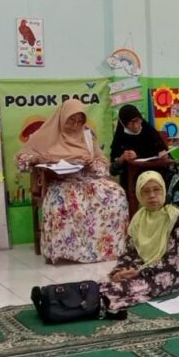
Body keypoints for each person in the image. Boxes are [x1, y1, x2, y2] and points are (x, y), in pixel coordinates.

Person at [15, 98, 128, 263]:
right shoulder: (44, 135)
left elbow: (102, 162)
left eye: (79, 121)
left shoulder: (87, 136)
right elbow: (21, 160)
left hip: (87, 179)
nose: (75, 125)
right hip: (59, 181)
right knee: (66, 200)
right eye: (71, 120)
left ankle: (105, 249)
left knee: (116, 193)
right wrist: (37, 159)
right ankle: (70, 252)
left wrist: (92, 164)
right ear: (62, 118)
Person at [101, 171, 179, 310]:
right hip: (140, 268)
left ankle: (101, 305)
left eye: (156, 189)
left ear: (164, 191)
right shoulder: (138, 219)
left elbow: (172, 259)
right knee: (104, 284)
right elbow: (129, 252)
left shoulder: (173, 218)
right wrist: (119, 271)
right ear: (139, 195)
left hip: (169, 272)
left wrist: (140, 272)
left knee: (123, 289)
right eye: (146, 191)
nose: (152, 195)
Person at [109, 104, 179, 210]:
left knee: (172, 177)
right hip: (134, 178)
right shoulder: (121, 139)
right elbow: (113, 170)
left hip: (158, 173)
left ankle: (174, 213)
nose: (136, 126)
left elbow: (163, 152)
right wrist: (121, 159)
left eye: (138, 121)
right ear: (124, 124)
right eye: (131, 123)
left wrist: (164, 155)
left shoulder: (149, 132)